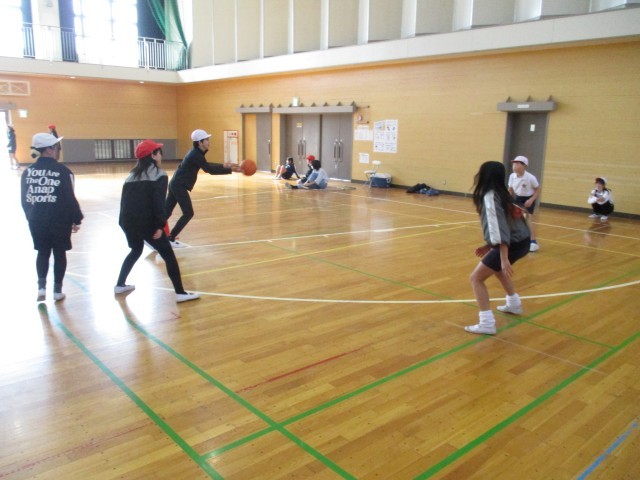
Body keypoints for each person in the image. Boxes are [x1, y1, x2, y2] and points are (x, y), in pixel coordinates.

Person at [115, 139, 200, 303]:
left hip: (127, 222)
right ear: (153, 156)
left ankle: (119, 285)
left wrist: (125, 224)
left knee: (135, 250)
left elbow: (124, 203)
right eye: (158, 152)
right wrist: (160, 226)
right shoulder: (159, 175)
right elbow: (158, 203)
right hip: (146, 222)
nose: (161, 155)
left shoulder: (131, 176)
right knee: (169, 255)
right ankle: (180, 293)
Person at [465, 161, 531, 335]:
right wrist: (490, 246)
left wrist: (503, 257)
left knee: (476, 278)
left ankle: (487, 323)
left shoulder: (490, 197)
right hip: (523, 240)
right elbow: (510, 223)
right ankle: (514, 304)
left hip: (512, 244)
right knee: (497, 270)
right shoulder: (503, 194)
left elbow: (498, 227)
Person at [21, 133, 83, 302]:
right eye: (56, 147)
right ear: (49, 150)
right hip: (59, 222)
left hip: (36, 221)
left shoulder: (27, 172)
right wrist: (76, 219)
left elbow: (25, 200)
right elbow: (69, 198)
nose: (58, 150)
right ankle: (57, 290)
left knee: (42, 252)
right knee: (59, 254)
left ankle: (41, 288)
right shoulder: (64, 171)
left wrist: (31, 217)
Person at [165, 129, 241, 248]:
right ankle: (170, 238)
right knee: (188, 213)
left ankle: (153, 234)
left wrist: (224, 166)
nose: (209, 142)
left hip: (176, 183)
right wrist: (230, 169)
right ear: (200, 142)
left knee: (166, 211)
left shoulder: (196, 153)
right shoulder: (196, 155)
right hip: (179, 185)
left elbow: (206, 164)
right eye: (207, 140)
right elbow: (209, 169)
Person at [508, 155, 540, 252]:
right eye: (514, 164)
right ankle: (517, 239)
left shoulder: (530, 178)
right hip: (518, 198)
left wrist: (531, 200)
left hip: (528, 199)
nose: (514, 166)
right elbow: (510, 190)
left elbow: (538, 189)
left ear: (524, 166)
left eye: (517, 164)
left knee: (527, 218)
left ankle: (533, 242)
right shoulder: (512, 176)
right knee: (515, 219)